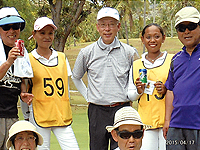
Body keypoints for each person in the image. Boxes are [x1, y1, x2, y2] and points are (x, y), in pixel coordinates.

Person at [72, 7, 139, 150]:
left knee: (123, 148)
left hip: (122, 109)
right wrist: (88, 96)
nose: (107, 29)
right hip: (97, 110)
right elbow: (76, 77)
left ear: (118, 27)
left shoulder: (130, 52)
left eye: (111, 24)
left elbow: (135, 80)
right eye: (103, 24)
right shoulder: (86, 52)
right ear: (97, 27)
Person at [28, 17, 79, 150]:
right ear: (34, 35)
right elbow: (26, 91)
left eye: (50, 33)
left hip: (62, 116)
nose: (47, 36)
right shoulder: (28, 59)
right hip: (40, 116)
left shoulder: (61, 57)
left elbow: (66, 85)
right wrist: (27, 116)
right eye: (42, 33)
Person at [128, 23, 174, 150]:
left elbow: (179, 88)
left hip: (169, 122)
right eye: (148, 37)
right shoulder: (137, 65)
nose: (152, 40)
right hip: (146, 123)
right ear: (142, 39)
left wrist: (166, 89)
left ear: (163, 38)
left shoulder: (172, 60)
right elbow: (130, 95)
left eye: (157, 36)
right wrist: (139, 90)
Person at [163, 6, 200, 150]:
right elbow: (170, 90)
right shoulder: (176, 59)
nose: (186, 31)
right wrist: (167, 120)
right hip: (176, 126)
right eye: (181, 28)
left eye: (191, 26)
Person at [0, 7, 33, 150]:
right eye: (6, 27)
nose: (11, 31)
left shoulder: (22, 51)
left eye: (16, 26)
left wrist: (23, 92)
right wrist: (8, 62)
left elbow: (23, 76)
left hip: (12, 114)